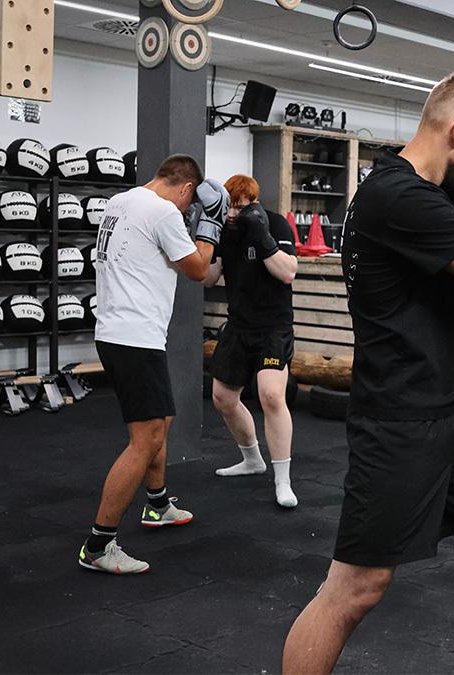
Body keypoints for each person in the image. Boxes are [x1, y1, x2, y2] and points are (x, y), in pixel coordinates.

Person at [282, 74, 454, 674]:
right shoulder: (399, 197)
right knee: (355, 590)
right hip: (401, 422)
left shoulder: (435, 192)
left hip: (446, 415)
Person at [78, 155, 228, 574]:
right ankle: (98, 544)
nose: (186, 210)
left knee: (161, 420)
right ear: (185, 189)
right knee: (144, 440)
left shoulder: (120, 201)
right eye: (188, 203)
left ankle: (158, 505)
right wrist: (210, 224)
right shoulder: (163, 210)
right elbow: (198, 269)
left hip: (118, 331)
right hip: (134, 337)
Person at [203, 174, 299, 508]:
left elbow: (288, 272)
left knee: (271, 395)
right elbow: (209, 278)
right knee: (223, 397)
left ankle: (282, 480)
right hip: (239, 325)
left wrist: (263, 238)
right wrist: (205, 238)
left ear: (252, 203)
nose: (233, 214)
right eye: (228, 207)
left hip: (273, 326)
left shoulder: (274, 224)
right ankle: (252, 459)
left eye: (239, 207)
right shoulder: (224, 231)